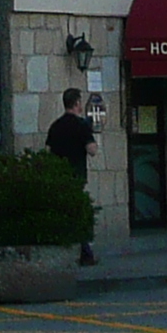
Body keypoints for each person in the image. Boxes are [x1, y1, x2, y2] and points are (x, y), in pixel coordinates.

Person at [45, 87, 99, 263]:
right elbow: (92, 150)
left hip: (58, 177)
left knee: (63, 212)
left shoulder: (55, 126)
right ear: (76, 103)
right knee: (78, 213)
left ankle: (66, 249)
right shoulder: (81, 125)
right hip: (76, 175)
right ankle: (85, 253)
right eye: (80, 102)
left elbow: (47, 152)